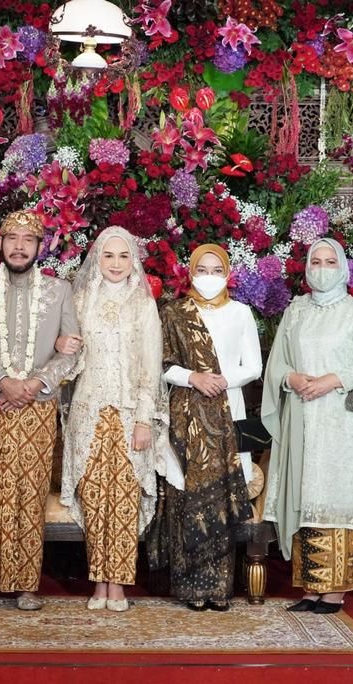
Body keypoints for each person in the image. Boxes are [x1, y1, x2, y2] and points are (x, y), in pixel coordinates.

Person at [0, 209, 81, 611]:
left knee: (30, 491)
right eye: (13, 239)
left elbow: (73, 347)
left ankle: (26, 584)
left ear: (40, 247)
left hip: (38, 408)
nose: (20, 246)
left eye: (28, 239)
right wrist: (5, 382)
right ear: (0, 243)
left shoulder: (60, 291)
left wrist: (36, 383)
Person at [261, 237, 353, 615]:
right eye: (315, 260)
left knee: (336, 499)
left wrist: (333, 379)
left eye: (330, 261)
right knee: (307, 498)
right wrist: (292, 379)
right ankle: (312, 588)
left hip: (341, 424)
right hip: (301, 417)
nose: (321, 267)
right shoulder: (295, 311)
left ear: (343, 267)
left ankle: (335, 592)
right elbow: (276, 364)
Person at [58, 227, 162, 613]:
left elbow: (150, 366)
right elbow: (68, 358)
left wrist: (145, 419)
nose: (116, 264)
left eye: (123, 256)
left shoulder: (142, 303)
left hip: (128, 414)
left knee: (122, 500)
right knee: (94, 498)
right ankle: (98, 582)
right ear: (96, 259)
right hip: (87, 414)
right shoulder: (81, 299)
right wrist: (62, 346)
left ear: (133, 260)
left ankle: (117, 584)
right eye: (108, 256)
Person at [148, 244, 255, 611]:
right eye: (202, 269)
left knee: (219, 499)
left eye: (216, 270)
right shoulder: (175, 312)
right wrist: (194, 377)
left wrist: (221, 379)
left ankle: (220, 588)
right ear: (190, 273)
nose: (209, 277)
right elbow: (161, 363)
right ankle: (191, 588)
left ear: (227, 273)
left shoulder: (242, 313)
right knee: (186, 498)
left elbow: (253, 366)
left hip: (227, 410)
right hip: (185, 413)